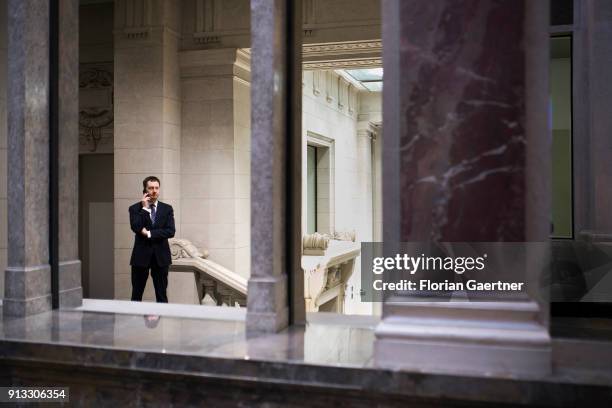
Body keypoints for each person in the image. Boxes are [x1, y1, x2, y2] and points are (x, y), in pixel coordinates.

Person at [129, 176, 176, 303]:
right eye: (151, 188)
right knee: (136, 296)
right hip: (140, 257)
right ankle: (134, 322)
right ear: (145, 190)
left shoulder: (167, 209)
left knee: (162, 296)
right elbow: (136, 227)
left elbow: (170, 231)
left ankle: (163, 322)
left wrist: (149, 233)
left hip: (161, 258)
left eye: (156, 188)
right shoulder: (135, 209)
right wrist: (144, 208)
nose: (154, 191)